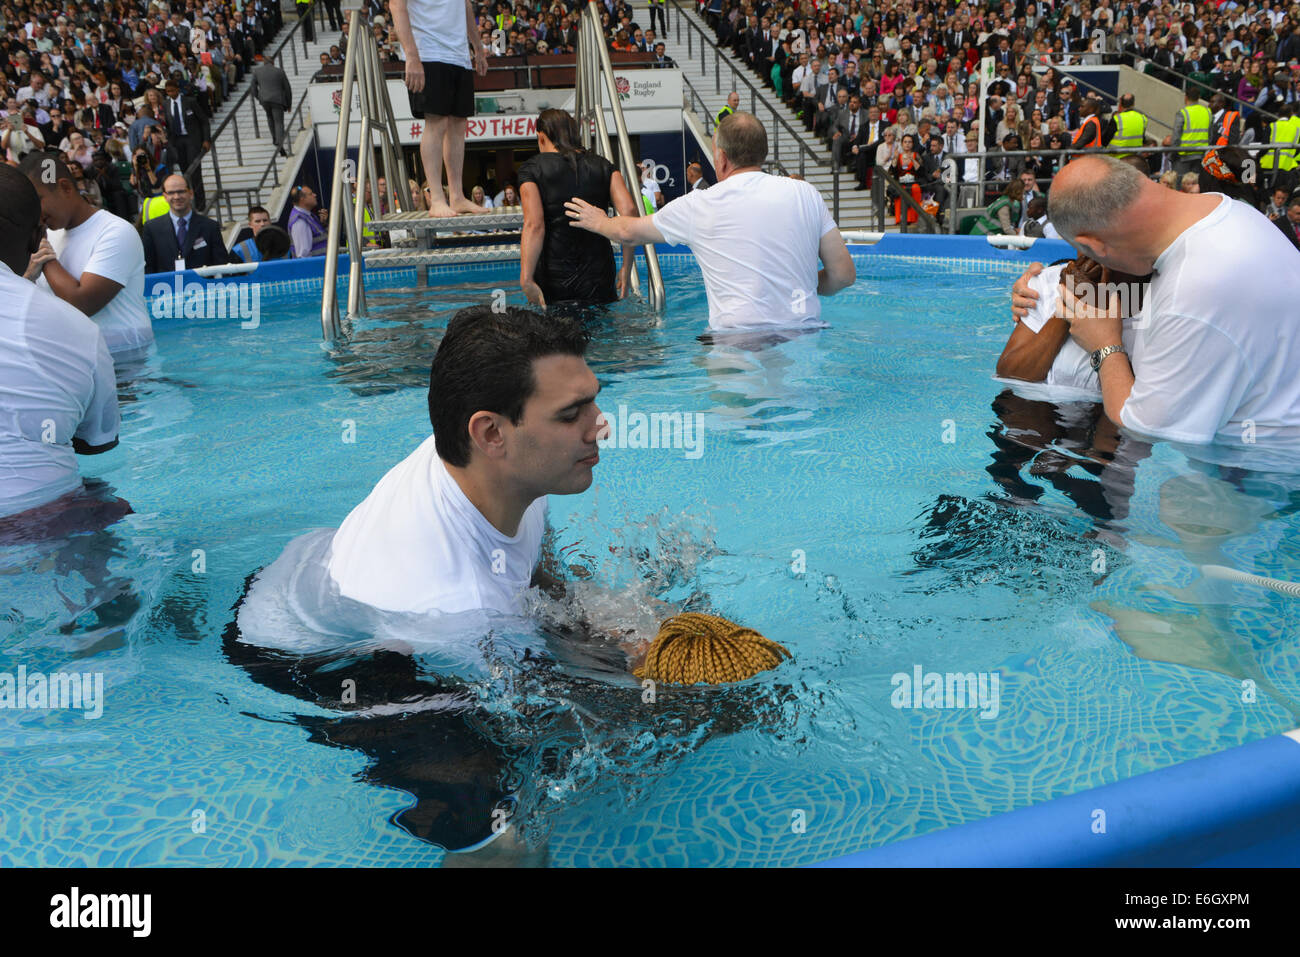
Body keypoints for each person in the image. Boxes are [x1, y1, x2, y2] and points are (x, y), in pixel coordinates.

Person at [1011, 155, 1300, 448]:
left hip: (1256, 472)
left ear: (1092, 246)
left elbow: (1143, 430)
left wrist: (1104, 345)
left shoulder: (1192, 291)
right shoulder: (1230, 212)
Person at [564, 111, 855, 331]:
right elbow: (843, 275)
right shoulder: (805, 194)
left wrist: (599, 221)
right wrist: (792, 284)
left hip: (737, 341)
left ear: (723, 159)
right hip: (805, 332)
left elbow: (629, 232)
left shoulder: (700, 204)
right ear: (762, 153)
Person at [0, 165, 119, 518]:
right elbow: (96, 443)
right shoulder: (78, 329)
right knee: (106, 504)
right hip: (45, 516)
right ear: (37, 236)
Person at [19, 152, 152, 363]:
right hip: (75, 359)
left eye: (38, 200)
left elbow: (82, 304)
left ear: (65, 188)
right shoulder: (49, 234)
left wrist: (45, 256)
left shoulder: (116, 231)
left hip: (124, 361)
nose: (33, 211)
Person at [517, 109, 636, 307]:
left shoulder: (532, 168)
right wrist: (626, 265)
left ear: (541, 137)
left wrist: (526, 279)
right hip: (599, 274)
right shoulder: (604, 166)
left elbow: (534, 225)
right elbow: (629, 212)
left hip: (554, 276)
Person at [391, 0, 489, 218]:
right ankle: (436, 198)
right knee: (437, 123)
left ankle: (456, 196)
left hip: (459, 55)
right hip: (428, 52)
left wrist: (478, 49)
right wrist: (412, 56)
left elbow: (465, 7)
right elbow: (396, 6)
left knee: (458, 125)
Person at [996, 254, 1146, 390]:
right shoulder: (1049, 281)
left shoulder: (1160, 303)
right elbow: (1011, 374)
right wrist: (1072, 300)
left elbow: (1137, 407)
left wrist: (1106, 340)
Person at [141, 174, 228, 273]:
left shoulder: (210, 227)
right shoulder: (152, 228)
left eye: (181, 191)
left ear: (190, 194)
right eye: (171, 193)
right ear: (165, 196)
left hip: (202, 287)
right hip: (166, 287)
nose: (177, 197)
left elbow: (222, 264)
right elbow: (148, 266)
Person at [161, 78, 210, 211]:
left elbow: (204, 121)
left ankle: (201, 204)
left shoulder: (190, 102)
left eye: (172, 90)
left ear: (177, 89)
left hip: (191, 139)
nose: (170, 93)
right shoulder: (165, 104)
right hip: (177, 141)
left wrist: (206, 139)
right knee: (184, 172)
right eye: (167, 91)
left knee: (194, 171)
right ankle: (188, 201)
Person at [250, 54, 292, 158]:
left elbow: (253, 87)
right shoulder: (279, 71)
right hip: (277, 100)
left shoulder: (257, 71)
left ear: (264, 62)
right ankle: (279, 143)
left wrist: (258, 97)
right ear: (273, 62)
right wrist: (289, 103)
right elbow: (287, 88)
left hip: (264, 99)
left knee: (269, 117)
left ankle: (274, 138)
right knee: (278, 122)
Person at [1170, 87, 1212, 175]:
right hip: (1200, 155)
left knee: (1179, 184)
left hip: (1184, 155)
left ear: (1186, 97)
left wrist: (1173, 153)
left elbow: (1176, 137)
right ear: (1198, 97)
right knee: (1195, 184)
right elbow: (1210, 135)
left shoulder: (1183, 113)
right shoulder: (1207, 112)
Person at [287, 185, 328, 258]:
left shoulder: (308, 216)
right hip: (316, 267)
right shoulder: (299, 221)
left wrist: (323, 224)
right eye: (311, 194)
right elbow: (303, 255)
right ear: (302, 199)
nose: (315, 195)